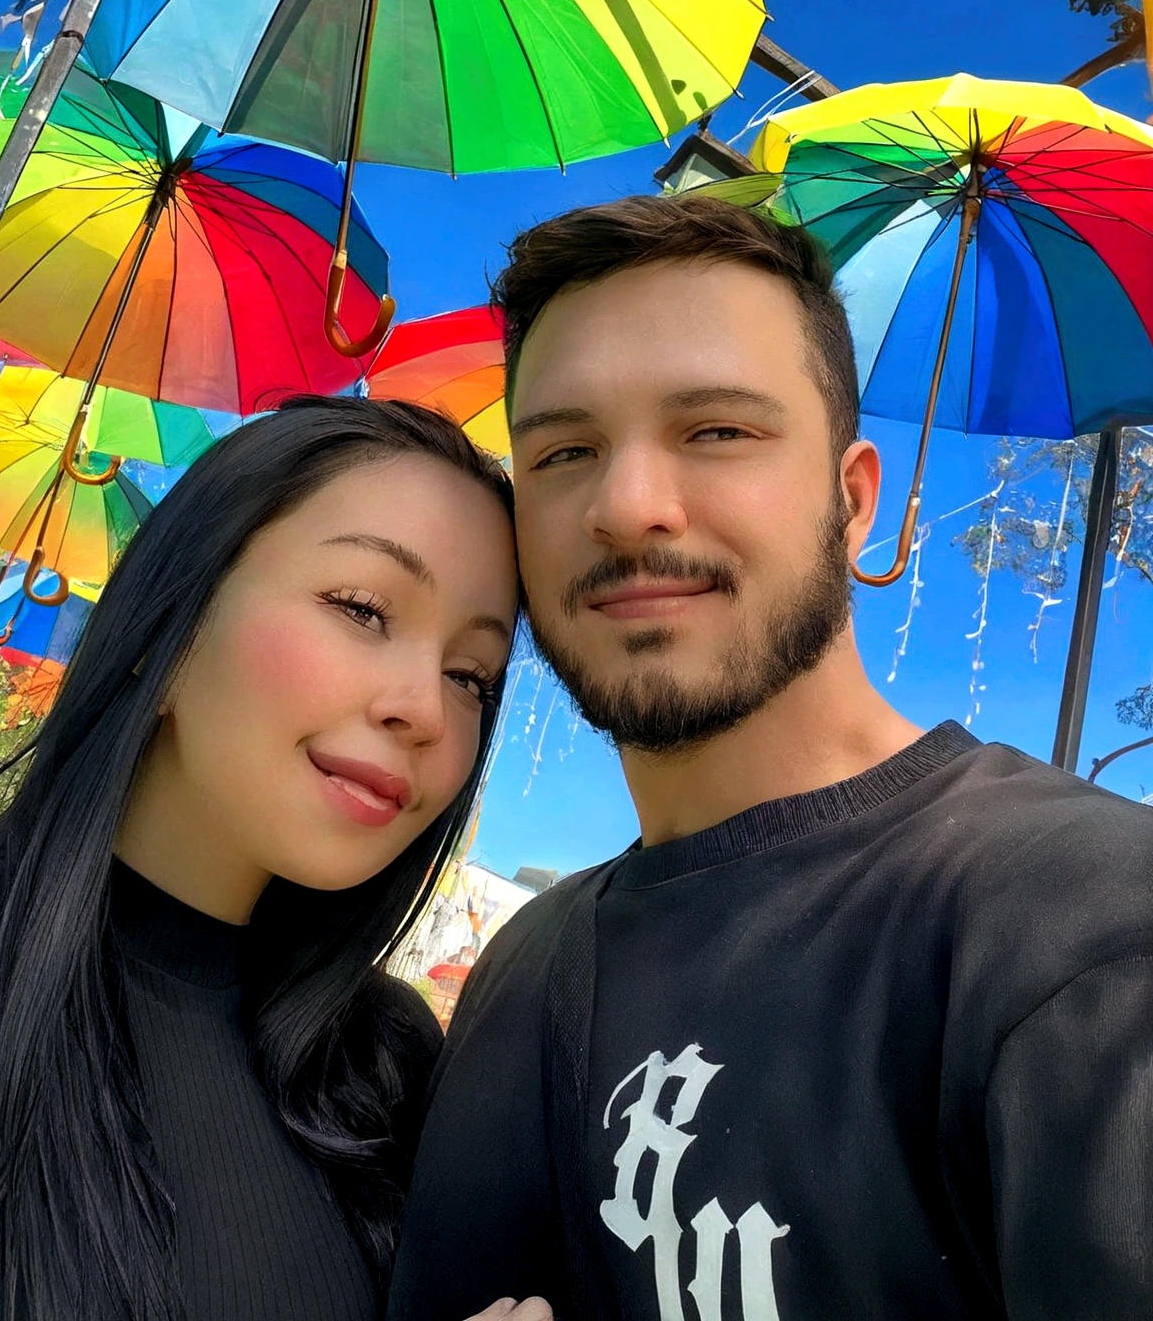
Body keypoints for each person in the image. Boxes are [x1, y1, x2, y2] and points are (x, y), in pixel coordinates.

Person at [388, 194, 1153, 1320]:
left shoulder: (1083, 933)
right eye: (563, 451)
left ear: (852, 503)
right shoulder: (522, 970)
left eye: (717, 431)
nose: (627, 505)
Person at [0, 396, 548, 1321]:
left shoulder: (387, 1070)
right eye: (362, 608)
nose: (426, 711)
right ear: (173, 622)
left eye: (471, 675)